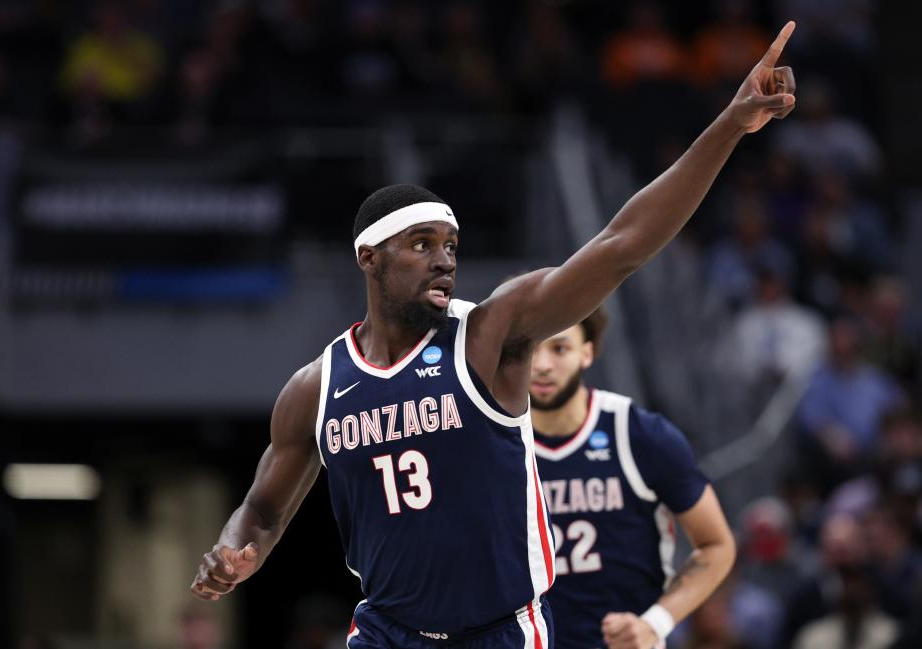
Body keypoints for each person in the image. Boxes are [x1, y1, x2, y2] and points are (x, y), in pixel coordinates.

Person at [190, 22, 798, 649]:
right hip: (386, 633)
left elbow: (622, 245)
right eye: (421, 245)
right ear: (369, 257)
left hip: (499, 631)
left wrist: (730, 124)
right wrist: (235, 547)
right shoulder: (315, 387)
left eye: (450, 245)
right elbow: (262, 510)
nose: (444, 260)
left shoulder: (488, 334)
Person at [529, 308, 736, 649]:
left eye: (559, 348)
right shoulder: (496, 440)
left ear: (588, 352)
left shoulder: (640, 434)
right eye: (531, 349)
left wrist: (655, 622)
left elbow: (717, 545)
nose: (542, 364)